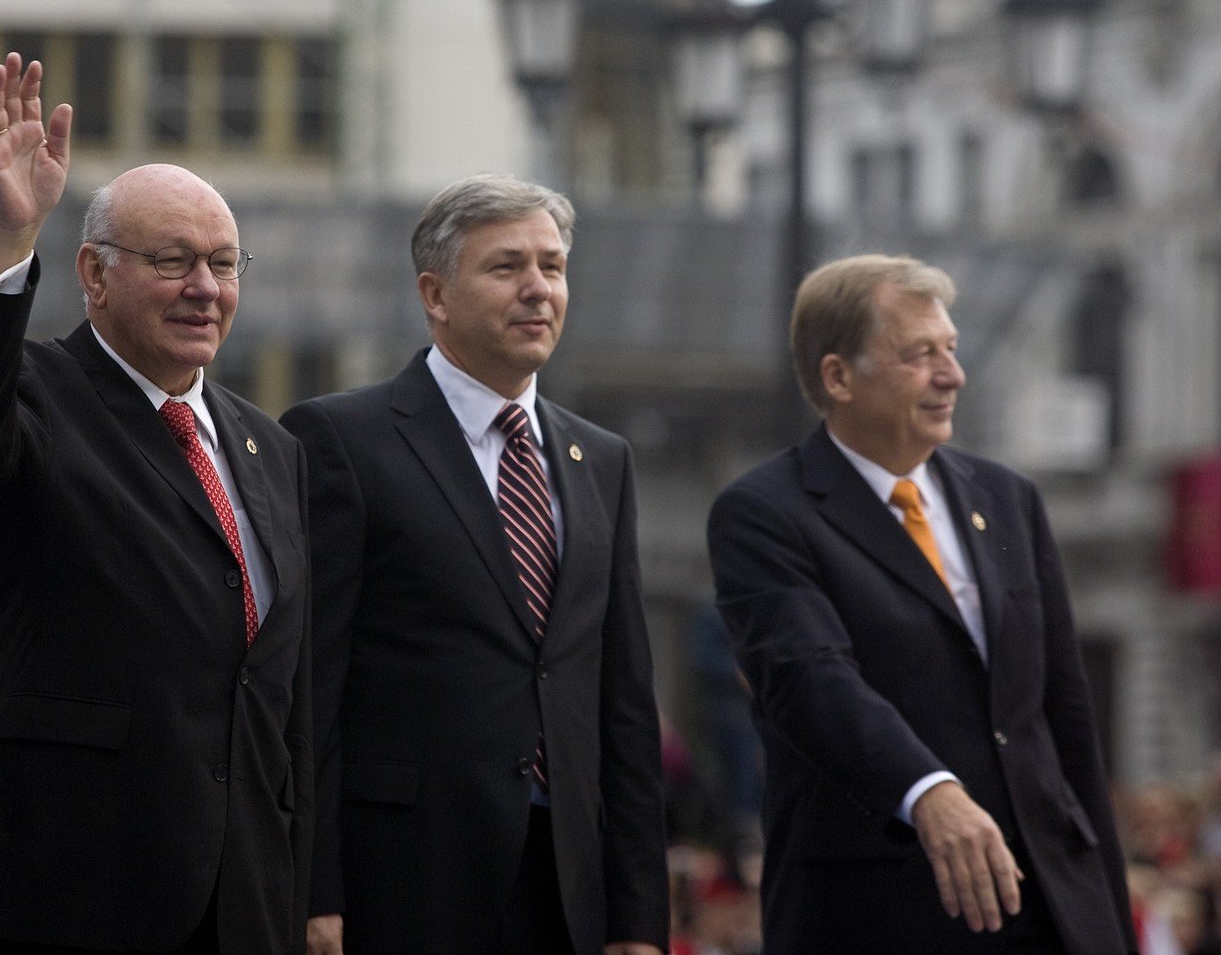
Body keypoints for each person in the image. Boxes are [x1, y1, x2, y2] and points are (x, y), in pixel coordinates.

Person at [0, 53, 313, 953]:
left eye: (222, 262)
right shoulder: (36, 395)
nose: (205, 287)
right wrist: (10, 236)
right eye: (173, 261)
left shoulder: (270, 448)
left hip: (245, 901)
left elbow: (284, 699)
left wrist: (307, 892)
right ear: (93, 273)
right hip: (70, 889)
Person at [279, 174, 669, 954]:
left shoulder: (604, 460)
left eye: (552, 267)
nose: (538, 290)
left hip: (567, 889)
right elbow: (307, 688)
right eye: (506, 267)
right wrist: (313, 886)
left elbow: (621, 702)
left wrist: (638, 918)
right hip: (403, 880)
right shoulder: (341, 441)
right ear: (436, 293)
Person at [706, 254, 1136, 953]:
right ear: (838, 376)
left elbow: (1066, 718)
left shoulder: (1008, 499)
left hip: (1049, 906)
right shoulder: (764, 513)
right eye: (918, 355)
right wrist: (928, 788)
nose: (951, 375)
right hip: (884, 909)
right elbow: (810, 677)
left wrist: (1110, 921)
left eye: (951, 350)